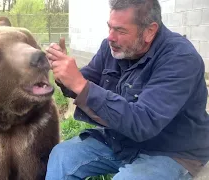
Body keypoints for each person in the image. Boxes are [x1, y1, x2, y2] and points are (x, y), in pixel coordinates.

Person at [45, 0, 209, 179]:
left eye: (121, 31)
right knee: (62, 156)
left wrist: (79, 84)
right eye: (110, 27)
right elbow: (85, 80)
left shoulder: (180, 58)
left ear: (150, 31)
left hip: (171, 151)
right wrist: (65, 77)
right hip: (122, 140)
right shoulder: (112, 47)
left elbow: (143, 123)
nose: (111, 37)